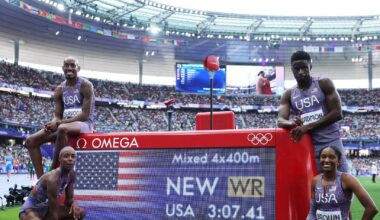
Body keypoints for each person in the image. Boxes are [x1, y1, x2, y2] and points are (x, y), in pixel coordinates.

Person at [277, 50, 348, 173]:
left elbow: (337, 113)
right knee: (317, 186)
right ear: (292, 70)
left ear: (310, 66)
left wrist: (308, 126)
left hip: (332, 140)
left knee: (342, 181)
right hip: (310, 145)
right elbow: (280, 120)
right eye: (296, 69)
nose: (301, 72)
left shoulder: (324, 83)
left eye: (304, 67)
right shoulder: (288, 94)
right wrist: (292, 124)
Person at [25, 57, 95, 178]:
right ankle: (42, 180)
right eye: (66, 65)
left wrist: (58, 124)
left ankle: (53, 169)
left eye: (72, 65)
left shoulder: (86, 85)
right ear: (62, 68)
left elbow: (85, 115)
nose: (69, 68)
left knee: (62, 128)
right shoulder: (59, 89)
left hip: (83, 124)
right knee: (30, 141)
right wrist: (52, 123)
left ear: (78, 68)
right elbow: (57, 115)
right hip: (64, 123)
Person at [307, 146, 378, 220]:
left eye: (331, 157)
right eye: (323, 157)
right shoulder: (315, 180)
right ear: (320, 159)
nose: (327, 160)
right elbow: (312, 212)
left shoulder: (347, 179)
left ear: (338, 161)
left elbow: (371, 208)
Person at [19, 146, 86, 220]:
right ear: (60, 159)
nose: (70, 159)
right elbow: (53, 213)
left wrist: (74, 203)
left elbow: (68, 200)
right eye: (66, 156)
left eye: (73, 156)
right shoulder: (53, 179)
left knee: (80, 213)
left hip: (47, 208)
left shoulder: (72, 174)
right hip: (31, 209)